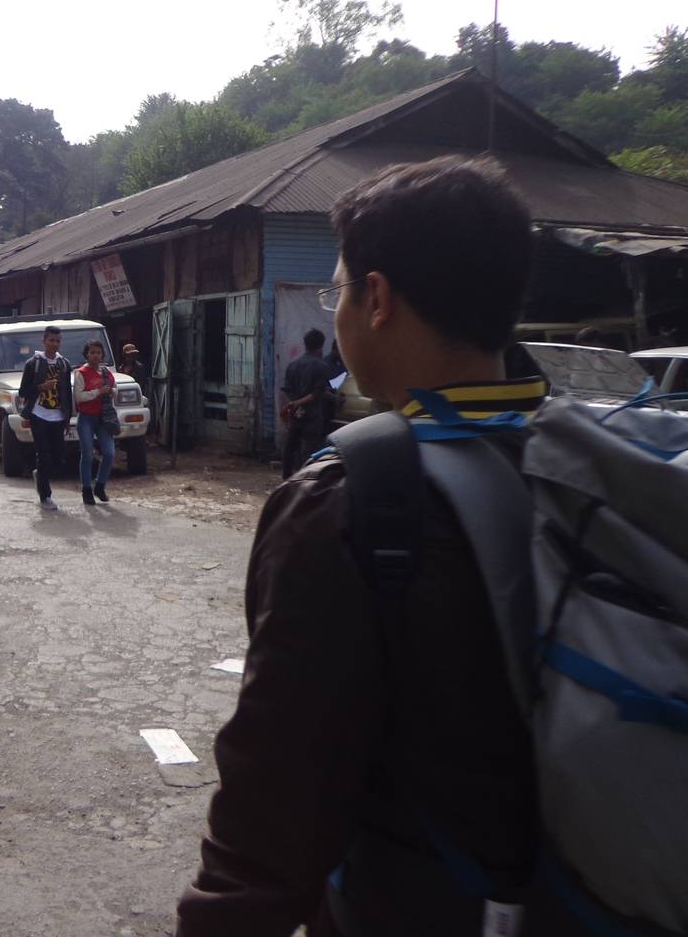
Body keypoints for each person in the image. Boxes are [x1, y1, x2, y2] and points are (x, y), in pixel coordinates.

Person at [176, 156, 558, 936]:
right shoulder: (589, 468)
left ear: (375, 298)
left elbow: (272, 813)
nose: (339, 305)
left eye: (339, 286)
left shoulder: (349, 499)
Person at [17, 325, 73, 512]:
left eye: (58, 341)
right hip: (38, 414)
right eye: (51, 340)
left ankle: (39, 475)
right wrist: (41, 387)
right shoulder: (33, 363)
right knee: (44, 455)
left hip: (58, 416)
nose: (54, 344)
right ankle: (45, 496)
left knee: (58, 457)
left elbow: (67, 393)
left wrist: (67, 419)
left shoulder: (64, 364)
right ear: (44, 341)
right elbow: (23, 391)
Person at [279, 327, 336, 477]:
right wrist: (301, 403)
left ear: (305, 344)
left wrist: (295, 403)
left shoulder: (293, 365)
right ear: (321, 346)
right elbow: (317, 394)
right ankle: (305, 480)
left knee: (290, 448)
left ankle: (286, 478)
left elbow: (287, 389)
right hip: (312, 415)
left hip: (296, 414)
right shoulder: (322, 366)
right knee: (310, 450)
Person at [71, 338, 115, 506]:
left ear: (102, 355)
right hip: (87, 418)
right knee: (88, 454)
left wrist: (112, 392)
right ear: (86, 355)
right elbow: (79, 397)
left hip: (104, 418)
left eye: (98, 352)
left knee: (110, 454)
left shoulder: (106, 373)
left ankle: (100, 485)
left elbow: (113, 390)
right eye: (92, 353)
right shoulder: (81, 373)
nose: (95, 356)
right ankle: (87, 489)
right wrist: (98, 392)